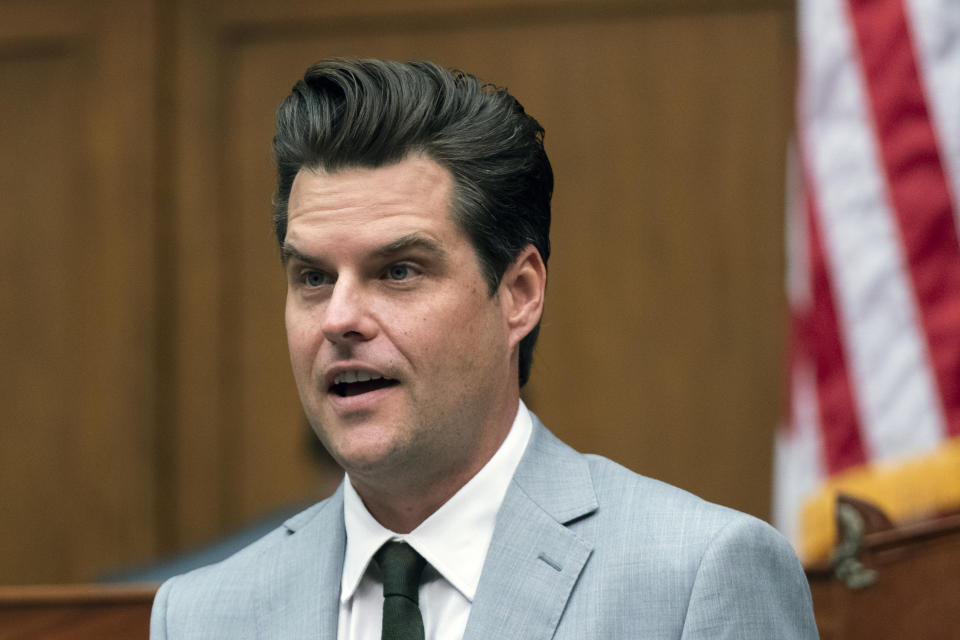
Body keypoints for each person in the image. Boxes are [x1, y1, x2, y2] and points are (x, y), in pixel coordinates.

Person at [150, 59, 818, 639]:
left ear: (520, 293)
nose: (340, 318)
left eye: (399, 271)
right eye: (313, 278)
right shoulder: (204, 615)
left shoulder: (696, 575)